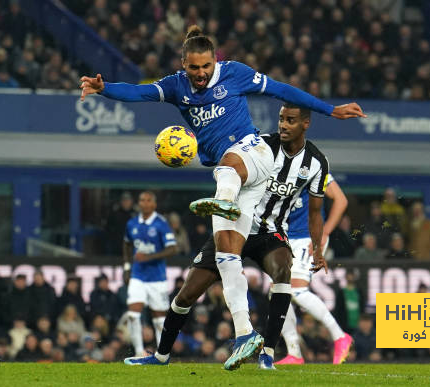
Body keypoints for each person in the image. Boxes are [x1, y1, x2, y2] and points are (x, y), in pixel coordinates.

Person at [81, 25, 365, 368]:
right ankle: (244, 334)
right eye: (193, 68)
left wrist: (329, 109)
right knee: (227, 259)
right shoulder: (175, 86)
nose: (200, 74)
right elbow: (138, 93)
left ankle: (225, 200)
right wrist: (104, 89)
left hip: (255, 155)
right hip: (234, 179)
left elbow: (281, 89)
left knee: (227, 167)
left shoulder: (234, 73)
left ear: (215, 61)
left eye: (206, 67)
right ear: (183, 64)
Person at [125, 103, 335, 370]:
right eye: (281, 119)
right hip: (234, 225)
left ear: (305, 124)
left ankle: (267, 355)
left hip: (269, 232)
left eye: (290, 120)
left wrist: (317, 250)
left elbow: (316, 213)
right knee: (187, 295)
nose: (283, 125)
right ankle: (161, 356)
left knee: (283, 271)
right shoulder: (261, 147)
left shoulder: (317, 162)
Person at [276, 181, 353, 365]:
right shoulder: (276, 163)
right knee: (277, 294)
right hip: (285, 237)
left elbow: (341, 200)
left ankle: (340, 337)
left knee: (296, 290)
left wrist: (325, 232)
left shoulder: (314, 163)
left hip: (308, 237)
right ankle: (294, 353)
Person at [122, 191, 178, 357]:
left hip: (157, 278)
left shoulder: (161, 224)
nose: (144, 203)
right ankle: (139, 352)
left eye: (148, 201)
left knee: (159, 319)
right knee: (133, 314)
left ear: (154, 204)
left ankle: (162, 355)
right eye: (141, 200)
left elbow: (172, 248)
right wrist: (126, 267)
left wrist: (149, 257)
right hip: (138, 275)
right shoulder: (132, 223)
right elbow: (126, 244)